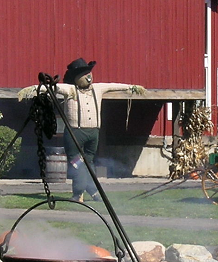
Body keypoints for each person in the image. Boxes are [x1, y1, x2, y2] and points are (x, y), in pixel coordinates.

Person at [21, 58, 145, 202]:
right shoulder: (70, 90)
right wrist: (30, 90)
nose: (89, 76)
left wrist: (132, 87)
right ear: (76, 78)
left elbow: (113, 86)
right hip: (75, 133)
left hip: (93, 133)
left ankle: (89, 192)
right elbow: (49, 88)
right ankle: (81, 193)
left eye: (89, 73)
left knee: (89, 162)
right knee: (77, 163)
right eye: (84, 74)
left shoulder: (98, 89)